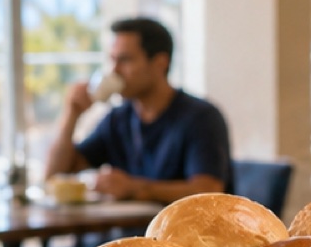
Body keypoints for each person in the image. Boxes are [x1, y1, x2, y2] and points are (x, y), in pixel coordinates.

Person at [45, 17, 232, 202]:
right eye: (113, 60)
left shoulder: (201, 118)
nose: (114, 71)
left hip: (180, 231)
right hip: (130, 230)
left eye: (125, 60)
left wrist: (134, 188)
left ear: (160, 63)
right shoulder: (118, 119)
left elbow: (209, 192)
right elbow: (55, 176)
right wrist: (72, 115)